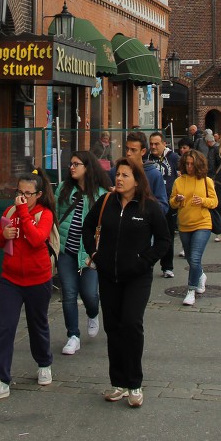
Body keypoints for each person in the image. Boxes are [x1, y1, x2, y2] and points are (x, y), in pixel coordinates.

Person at [82, 158, 170, 407]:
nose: (118, 179)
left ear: (137, 180)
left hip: (137, 278)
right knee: (113, 327)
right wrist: (95, 254)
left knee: (131, 324)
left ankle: (135, 383)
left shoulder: (149, 207)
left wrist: (144, 261)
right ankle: (118, 382)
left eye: (125, 175)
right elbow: (88, 227)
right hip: (109, 276)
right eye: (117, 174)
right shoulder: (106, 202)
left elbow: (164, 241)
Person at [0, 170, 57, 403]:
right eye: (19, 192)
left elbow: (37, 240)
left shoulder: (44, 214)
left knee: (38, 325)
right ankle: (0, 381)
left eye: (28, 194)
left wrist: (24, 212)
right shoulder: (10, 211)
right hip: (11, 279)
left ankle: (44, 363)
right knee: (5, 327)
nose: (22, 197)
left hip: (38, 279)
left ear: (39, 194)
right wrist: (3, 234)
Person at [55, 151, 110, 356]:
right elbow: (56, 216)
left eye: (76, 164)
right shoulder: (63, 188)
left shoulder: (101, 194)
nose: (72, 167)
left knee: (89, 293)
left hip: (89, 253)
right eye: (71, 163)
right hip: (66, 251)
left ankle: (93, 313)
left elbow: (105, 226)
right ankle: (73, 335)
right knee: (68, 293)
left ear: (88, 167)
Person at [169, 150, 218, 306]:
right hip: (184, 223)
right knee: (190, 258)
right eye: (187, 164)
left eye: (192, 164)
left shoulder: (206, 181)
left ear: (198, 164)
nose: (189, 167)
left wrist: (202, 201)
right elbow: (172, 203)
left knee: (195, 257)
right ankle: (201, 275)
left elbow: (214, 202)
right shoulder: (179, 181)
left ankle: (191, 290)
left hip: (202, 223)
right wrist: (177, 199)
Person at [108, 130, 168, 213]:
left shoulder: (154, 174)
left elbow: (163, 207)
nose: (128, 153)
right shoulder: (115, 171)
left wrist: (143, 201)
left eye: (133, 150)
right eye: (127, 149)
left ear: (143, 151)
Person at [147, 132, 180, 277]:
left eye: (156, 144)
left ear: (164, 144)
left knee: (167, 237)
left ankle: (167, 266)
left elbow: (180, 175)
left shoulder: (173, 158)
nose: (153, 147)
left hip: (168, 203)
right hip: (149, 205)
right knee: (147, 236)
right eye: (151, 144)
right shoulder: (146, 158)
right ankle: (148, 263)